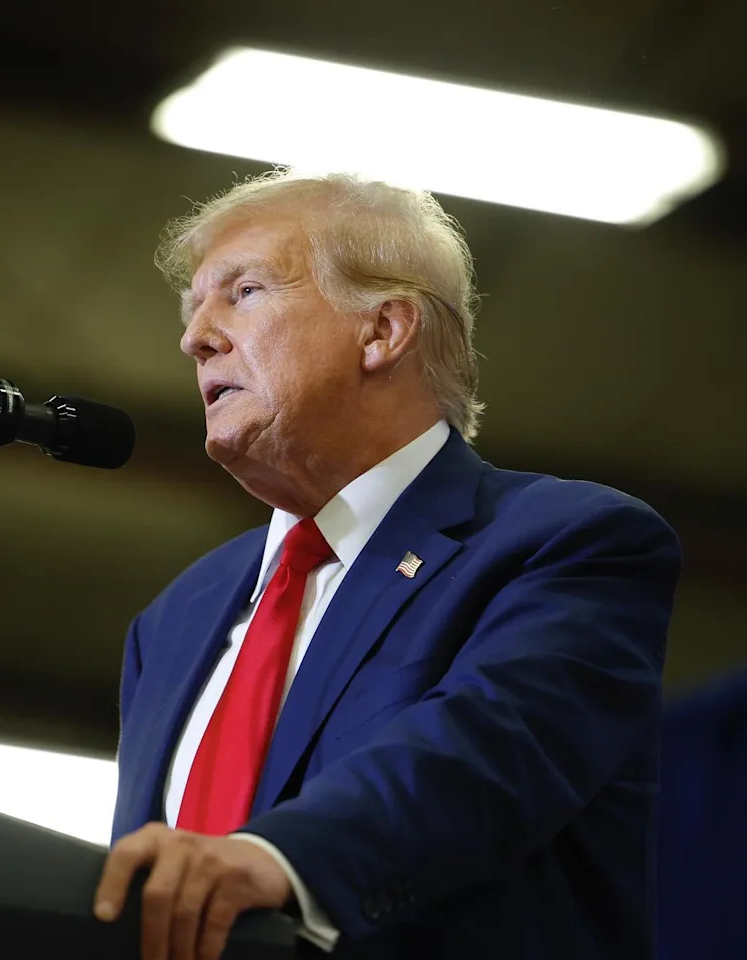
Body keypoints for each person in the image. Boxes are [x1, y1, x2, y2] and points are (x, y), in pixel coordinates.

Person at [93, 171, 681, 960]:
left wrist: (277, 860)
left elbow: (481, 756)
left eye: (244, 292)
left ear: (383, 330)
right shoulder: (175, 618)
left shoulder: (567, 542)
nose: (196, 337)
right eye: (194, 307)